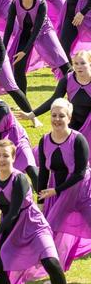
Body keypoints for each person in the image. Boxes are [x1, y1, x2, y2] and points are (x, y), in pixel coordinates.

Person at [0, 139, 82, 284]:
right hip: (10, 226)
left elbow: (15, 211)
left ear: (14, 157)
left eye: (5, 156)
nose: (1, 159)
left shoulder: (20, 179)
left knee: (51, 262)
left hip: (32, 224)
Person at [37, 98, 91, 272]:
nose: (57, 119)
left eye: (61, 115)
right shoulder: (44, 140)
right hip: (58, 191)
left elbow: (80, 173)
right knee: (50, 228)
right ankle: (54, 268)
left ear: (69, 117)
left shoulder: (78, 140)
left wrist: (56, 190)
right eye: (54, 115)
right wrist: (40, 198)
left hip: (82, 190)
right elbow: (44, 172)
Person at [3, 0, 70, 99]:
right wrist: (3, 49)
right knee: (18, 67)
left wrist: (25, 51)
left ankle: (74, 91)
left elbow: (37, 29)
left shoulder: (41, 2)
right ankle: (23, 101)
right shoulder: (15, 3)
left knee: (63, 64)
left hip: (44, 31)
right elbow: (9, 28)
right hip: (25, 33)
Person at [27, 50, 91, 138]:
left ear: (90, 64)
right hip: (73, 122)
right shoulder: (68, 79)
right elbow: (54, 99)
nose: (79, 67)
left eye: (83, 63)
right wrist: (32, 114)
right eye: (76, 63)